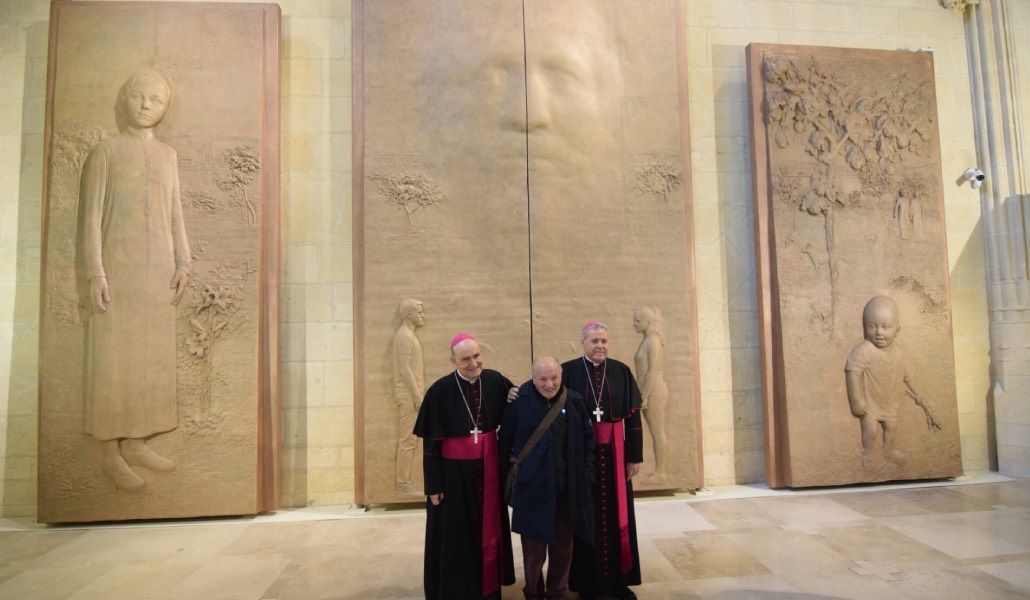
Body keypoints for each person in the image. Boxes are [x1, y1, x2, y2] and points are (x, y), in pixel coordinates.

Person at [81, 68, 191, 491]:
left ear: (164, 108)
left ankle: (138, 440)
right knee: (115, 360)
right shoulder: (105, 152)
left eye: (155, 100)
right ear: (124, 99)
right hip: (118, 273)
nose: (145, 105)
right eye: (138, 97)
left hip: (157, 272)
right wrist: (95, 271)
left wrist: (184, 261)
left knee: (149, 357)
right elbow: (91, 218)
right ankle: (110, 451)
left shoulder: (167, 156)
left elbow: (175, 212)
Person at [413, 333, 518, 599]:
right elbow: (431, 444)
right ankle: (457, 590)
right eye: (465, 359)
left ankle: (488, 587)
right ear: (453, 361)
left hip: (488, 470)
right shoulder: (440, 391)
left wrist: (516, 393)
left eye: (476, 356)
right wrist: (434, 485)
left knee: (487, 528)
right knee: (456, 534)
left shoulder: (495, 380)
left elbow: (516, 406)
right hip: (453, 476)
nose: (473, 363)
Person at [500, 356, 595, 600]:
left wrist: (587, 476)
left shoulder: (573, 401)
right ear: (533, 378)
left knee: (563, 549)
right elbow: (505, 443)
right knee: (533, 552)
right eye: (543, 379)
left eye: (554, 378)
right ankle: (533, 593)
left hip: (566, 490)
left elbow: (588, 442)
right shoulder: (519, 401)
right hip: (531, 491)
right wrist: (506, 482)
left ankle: (556, 593)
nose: (550, 384)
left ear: (560, 377)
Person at [561, 322, 643, 600]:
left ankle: (619, 580)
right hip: (582, 455)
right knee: (586, 516)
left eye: (604, 341)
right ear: (582, 343)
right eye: (594, 340)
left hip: (615, 453)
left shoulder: (621, 371)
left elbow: (633, 418)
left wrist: (634, 456)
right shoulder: (568, 371)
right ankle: (588, 583)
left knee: (618, 515)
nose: (600, 346)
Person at [845, 295, 941, 469]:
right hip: (869, 404)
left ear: (897, 329)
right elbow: (852, 373)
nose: (879, 332)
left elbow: (908, 377)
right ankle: (867, 453)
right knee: (871, 431)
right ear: (864, 328)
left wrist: (918, 394)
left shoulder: (899, 354)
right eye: (871, 326)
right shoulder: (863, 350)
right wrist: (855, 400)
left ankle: (888, 451)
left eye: (885, 327)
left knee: (891, 429)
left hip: (890, 403)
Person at [392, 298, 426, 497]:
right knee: (407, 440)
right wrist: (417, 395)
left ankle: (404, 484)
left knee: (411, 440)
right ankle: (403, 486)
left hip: (411, 395)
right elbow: (404, 370)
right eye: (420, 312)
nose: (423, 316)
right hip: (408, 396)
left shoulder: (408, 336)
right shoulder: (404, 336)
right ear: (409, 314)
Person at [634, 307, 669, 484]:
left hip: (654, 391)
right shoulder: (647, 341)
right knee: (655, 431)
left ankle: (661, 472)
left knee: (657, 432)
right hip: (648, 390)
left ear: (648, 322)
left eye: (638, 321)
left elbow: (653, 371)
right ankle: (659, 471)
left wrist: (644, 395)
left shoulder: (653, 341)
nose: (634, 324)